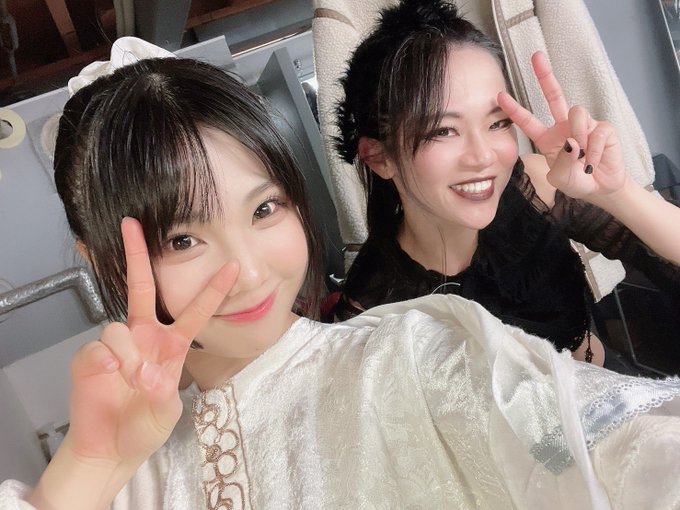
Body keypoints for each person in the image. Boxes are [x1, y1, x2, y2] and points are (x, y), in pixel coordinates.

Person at [2, 37, 680, 510]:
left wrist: (621, 194)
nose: (247, 271)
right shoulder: (118, 472)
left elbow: (626, 453)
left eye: (263, 208)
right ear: (379, 157)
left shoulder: (414, 351)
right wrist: (87, 469)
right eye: (182, 238)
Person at [330, 0, 680, 368]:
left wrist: (617, 193)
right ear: (379, 157)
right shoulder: (372, 309)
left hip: (610, 381)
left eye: (497, 123)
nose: (484, 157)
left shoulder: (537, 187)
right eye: (443, 130)